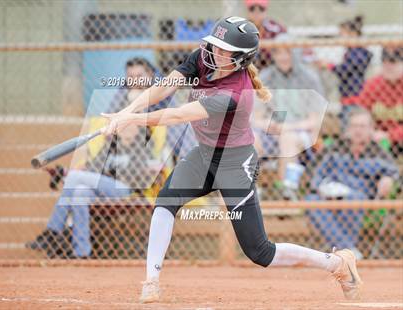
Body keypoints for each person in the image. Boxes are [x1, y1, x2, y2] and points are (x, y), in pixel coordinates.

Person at [102, 17, 362, 303]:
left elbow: (178, 115)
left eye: (224, 50)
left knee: (260, 251)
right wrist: (125, 111)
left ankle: (337, 263)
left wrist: (132, 120)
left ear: (240, 59)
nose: (215, 53)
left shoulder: (235, 93)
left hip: (233, 163)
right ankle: (151, 280)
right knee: (165, 201)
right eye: (215, 45)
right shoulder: (203, 57)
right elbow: (166, 85)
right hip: (202, 155)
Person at [26, 57, 165, 258]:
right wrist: (68, 171)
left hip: (126, 189)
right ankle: (82, 252)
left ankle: (52, 232)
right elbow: (97, 163)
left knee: (75, 180)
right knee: (80, 192)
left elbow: (138, 171)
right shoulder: (114, 139)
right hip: (104, 185)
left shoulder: (147, 137)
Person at [306, 107, 399, 259]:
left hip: (359, 198)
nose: (358, 131)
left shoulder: (378, 152)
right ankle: (348, 250)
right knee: (310, 201)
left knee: (354, 199)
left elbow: (393, 172)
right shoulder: (335, 148)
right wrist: (320, 188)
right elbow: (316, 175)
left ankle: (341, 251)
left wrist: (388, 178)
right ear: (348, 129)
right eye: (354, 126)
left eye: (362, 127)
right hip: (330, 196)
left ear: (371, 129)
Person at [255, 34, 326, 197]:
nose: (283, 57)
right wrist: (268, 124)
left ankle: (287, 190)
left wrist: (288, 127)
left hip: (302, 131)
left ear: (296, 53)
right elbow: (256, 117)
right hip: (273, 129)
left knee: (288, 138)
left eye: (288, 52)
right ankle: (250, 190)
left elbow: (314, 121)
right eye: (278, 53)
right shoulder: (266, 77)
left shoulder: (308, 78)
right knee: (251, 137)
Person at [349, 47, 403, 156]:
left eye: (393, 62)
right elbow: (361, 112)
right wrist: (369, 132)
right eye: (384, 61)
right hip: (376, 137)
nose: (388, 66)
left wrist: (390, 135)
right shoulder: (373, 84)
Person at [317, 16, 372, 103]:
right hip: (347, 94)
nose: (341, 38)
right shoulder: (351, 51)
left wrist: (328, 65)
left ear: (353, 34)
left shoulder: (359, 52)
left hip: (355, 96)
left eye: (342, 34)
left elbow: (345, 70)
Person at [245, 0, 286, 70]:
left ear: (266, 10)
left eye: (261, 9)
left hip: (272, 67)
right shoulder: (242, 28)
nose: (256, 13)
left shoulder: (275, 28)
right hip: (248, 68)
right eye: (252, 9)